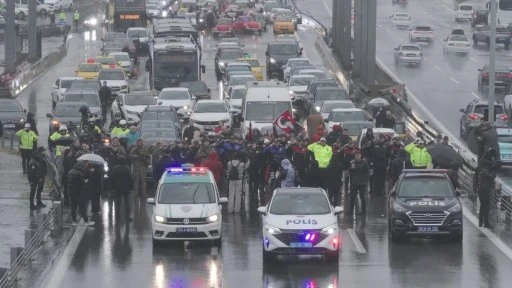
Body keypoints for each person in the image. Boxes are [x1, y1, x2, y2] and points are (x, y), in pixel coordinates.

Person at [67, 161, 95, 226]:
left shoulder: (70, 171)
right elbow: (82, 182)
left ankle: (74, 221)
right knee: (82, 207)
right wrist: (86, 181)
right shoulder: (80, 173)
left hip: (71, 192)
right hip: (78, 192)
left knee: (73, 207)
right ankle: (86, 221)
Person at [110, 157, 133, 222]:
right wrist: (131, 187)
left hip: (117, 188)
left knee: (117, 203)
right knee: (126, 203)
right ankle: (127, 217)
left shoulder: (115, 168)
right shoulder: (127, 168)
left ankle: (117, 217)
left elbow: (112, 179)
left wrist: (111, 188)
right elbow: (130, 179)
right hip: (126, 188)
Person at [348, 151, 370, 215]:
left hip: (362, 183)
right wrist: (352, 168)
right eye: (356, 156)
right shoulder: (353, 163)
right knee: (352, 197)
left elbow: (367, 172)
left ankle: (363, 211)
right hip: (354, 182)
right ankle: (351, 211)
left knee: (362, 197)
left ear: (361, 156)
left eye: (358, 156)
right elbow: (350, 172)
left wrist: (365, 181)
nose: (357, 157)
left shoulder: (364, 163)